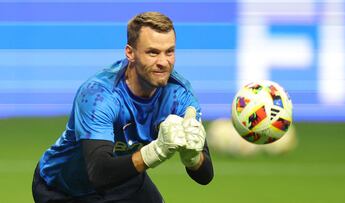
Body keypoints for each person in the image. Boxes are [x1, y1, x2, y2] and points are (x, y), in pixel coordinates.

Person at [32, 11, 214, 203]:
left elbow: (205, 176)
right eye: (153, 52)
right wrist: (157, 151)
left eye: (169, 52)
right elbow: (99, 173)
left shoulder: (180, 96)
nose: (163, 62)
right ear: (130, 53)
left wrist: (193, 158)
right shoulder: (99, 95)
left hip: (124, 182)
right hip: (64, 188)